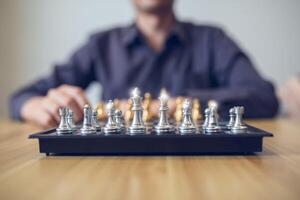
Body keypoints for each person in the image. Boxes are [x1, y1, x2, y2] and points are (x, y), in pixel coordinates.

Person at [9, 0, 279, 128]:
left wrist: (177, 104)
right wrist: (33, 106)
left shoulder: (212, 40)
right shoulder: (100, 44)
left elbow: (264, 97)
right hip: (113, 170)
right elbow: (21, 97)